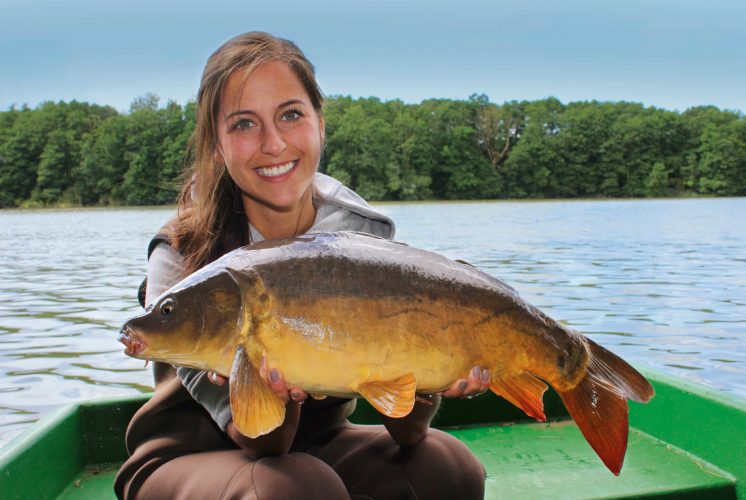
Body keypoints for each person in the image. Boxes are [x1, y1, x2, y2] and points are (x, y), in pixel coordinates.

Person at [115, 31, 488, 499]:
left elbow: (409, 432)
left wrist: (433, 373)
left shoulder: (362, 241)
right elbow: (263, 443)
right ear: (216, 146)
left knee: (448, 466)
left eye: (291, 115)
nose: (273, 144)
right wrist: (273, 386)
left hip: (318, 445)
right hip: (184, 460)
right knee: (298, 487)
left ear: (320, 124)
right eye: (244, 124)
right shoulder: (180, 254)